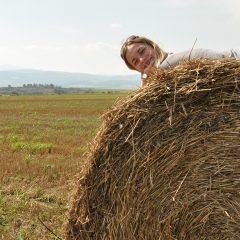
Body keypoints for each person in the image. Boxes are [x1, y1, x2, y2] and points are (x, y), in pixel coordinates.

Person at [120, 35, 240, 86]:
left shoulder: (168, 65)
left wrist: (145, 78)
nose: (142, 59)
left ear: (152, 45)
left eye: (142, 51)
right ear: (135, 69)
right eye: (135, 62)